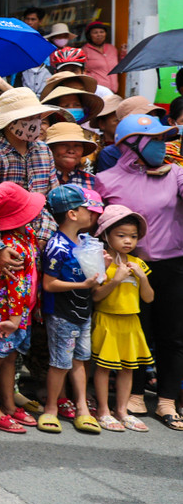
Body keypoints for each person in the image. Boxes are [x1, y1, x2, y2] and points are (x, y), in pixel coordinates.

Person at [0, 88, 56, 404]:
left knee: (19, 325)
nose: (34, 123)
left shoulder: (44, 152)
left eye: (37, 117)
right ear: (10, 122)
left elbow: (49, 202)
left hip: (31, 252)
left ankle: (10, 389)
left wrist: (39, 244)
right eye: (27, 118)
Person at [95, 114, 183, 430]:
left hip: (172, 264)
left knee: (171, 334)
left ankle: (167, 399)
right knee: (135, 331)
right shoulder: (105, 180)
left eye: (164, 139)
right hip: (124, 270)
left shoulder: (175, 174)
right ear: (132, 143)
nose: (163, 146)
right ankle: (132, 393)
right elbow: (96, 228)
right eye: (156, 139)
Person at [35, 184, 104, 435]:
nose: (91, 214)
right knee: (60, 363)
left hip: (83, 311)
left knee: (80, 361)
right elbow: (49, 284)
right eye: (87, 209)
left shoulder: (86, 241)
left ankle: (82, 408)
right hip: (62, 314)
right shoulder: (57, 246)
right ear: (72, 214)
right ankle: (51, 408)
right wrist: (83, 284)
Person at [0, 181, 42, 434]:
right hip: (2, 314)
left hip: (17, 313)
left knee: (10, 357)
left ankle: (8, 404)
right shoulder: (13, 246)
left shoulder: (27, 236)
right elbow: (16, 285)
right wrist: (15, 319)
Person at [91, 206, 155, 433]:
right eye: (121, 235)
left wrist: (141, 278)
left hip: (131, 322)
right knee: (103, 368)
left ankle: (122, 411)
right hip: (107, 320)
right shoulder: (103, 262)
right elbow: (96, 297)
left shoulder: (138, 263)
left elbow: (148, 298)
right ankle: (103, 411)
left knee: (128, 368)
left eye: (133, 236)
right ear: (106, 235)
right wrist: (115, 279)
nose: (128, 241)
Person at [46, 122, 97, 189]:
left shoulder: (92, 181)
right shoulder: (40, 180)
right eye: (64, 145)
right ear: (51, 149)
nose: (71, 151)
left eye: (77, 146)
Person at [81, 21, 121, 94]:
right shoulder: (84, 50)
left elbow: (120, 65)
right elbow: (81, 71)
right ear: (89, 35)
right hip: (96, 91)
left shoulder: (112, 48)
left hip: (113, 92)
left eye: (102, 32)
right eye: (95, 32)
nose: (99, 34)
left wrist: (123, 53)